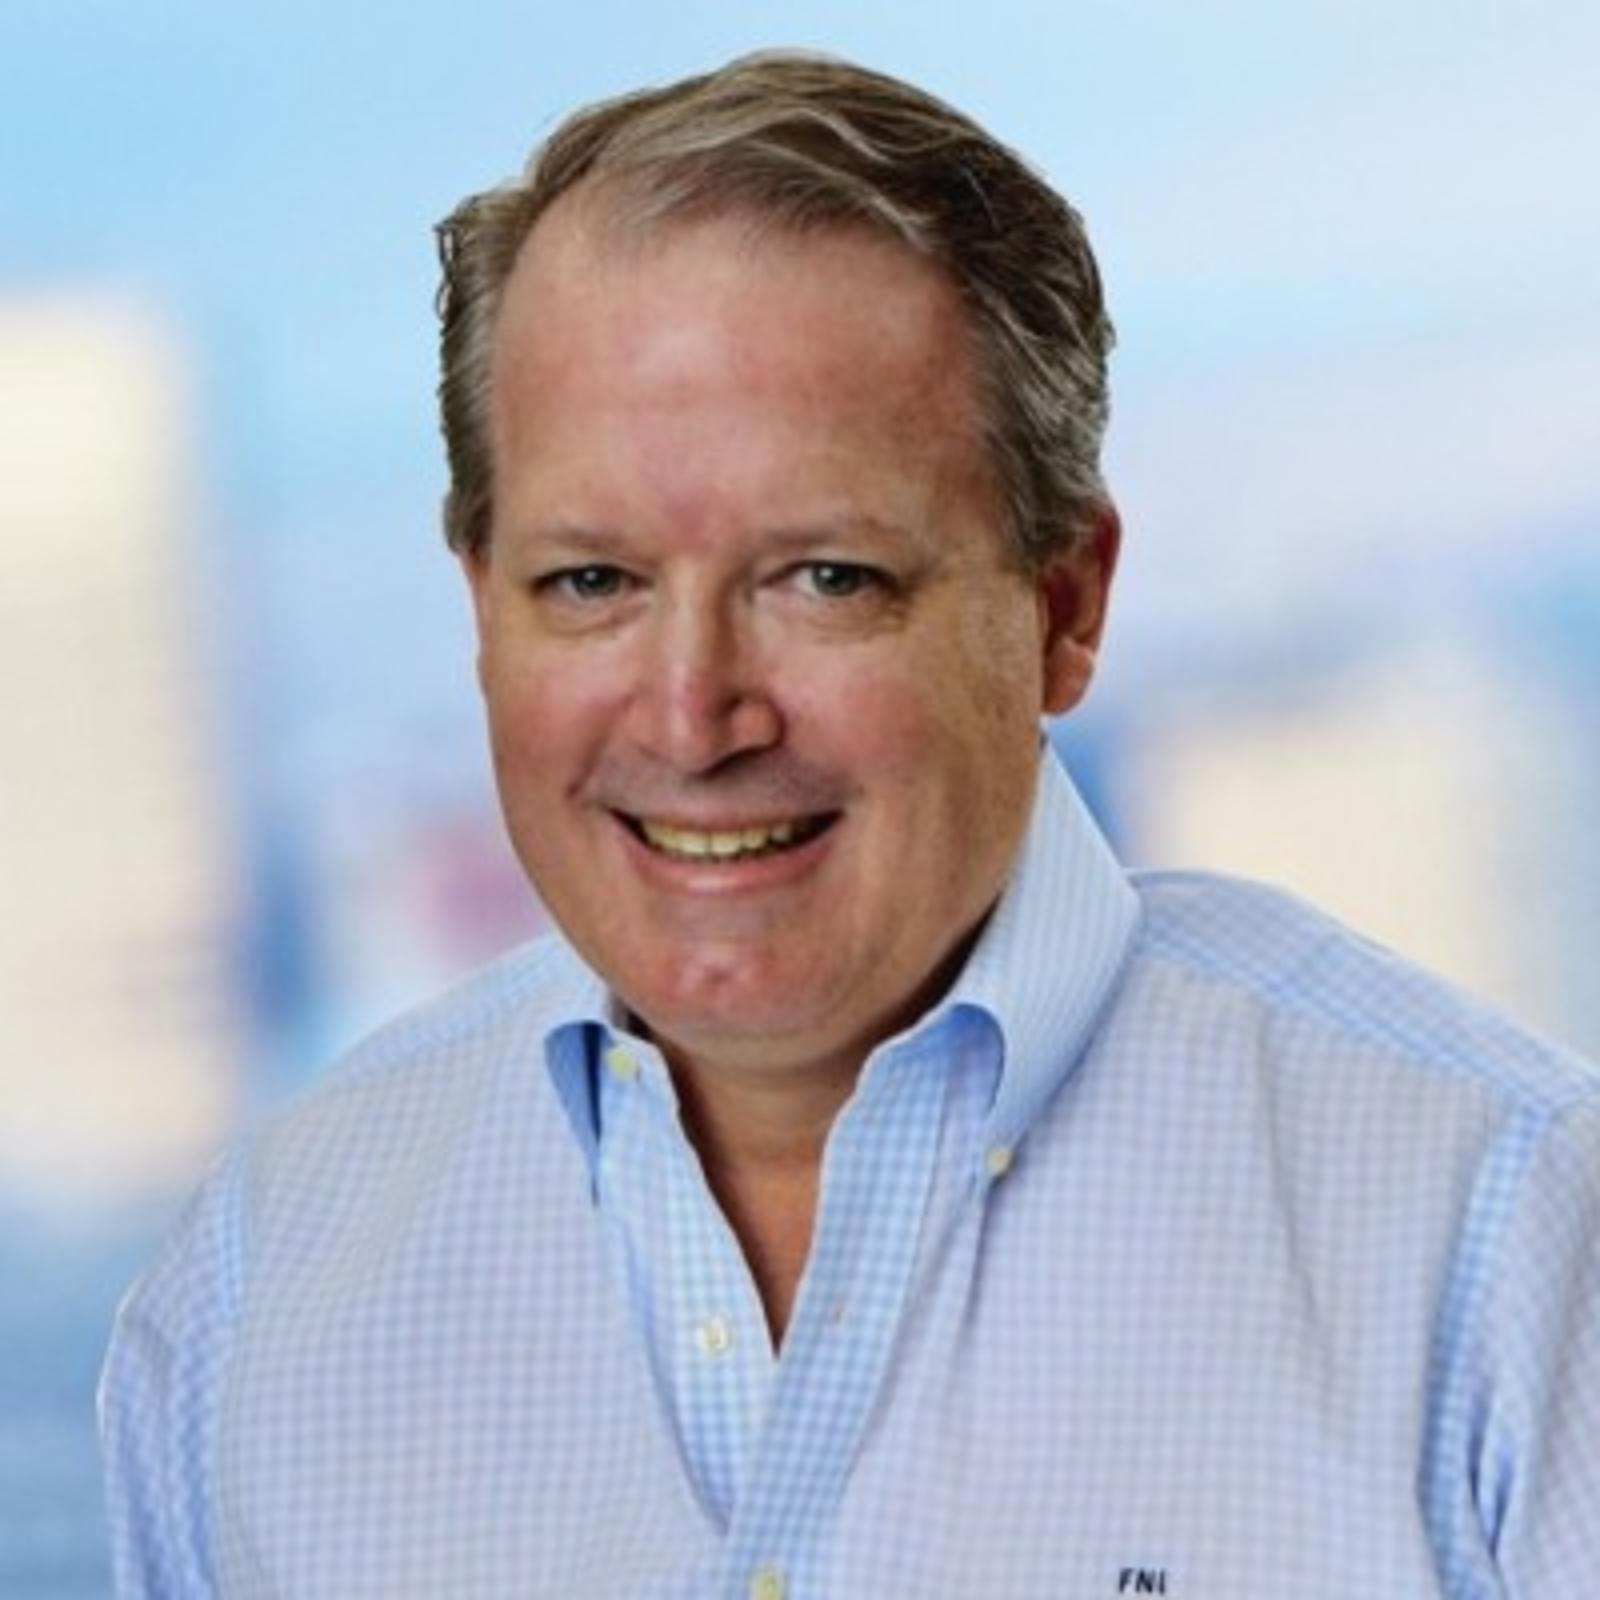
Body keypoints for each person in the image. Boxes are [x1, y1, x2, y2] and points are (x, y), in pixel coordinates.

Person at [101, 50, 1599, 1598]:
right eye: (591, 582)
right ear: (483, 609)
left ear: (1064, 607)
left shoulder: (1504, 1240)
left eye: (826, 578)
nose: (693, 718)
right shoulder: (258, 1296)